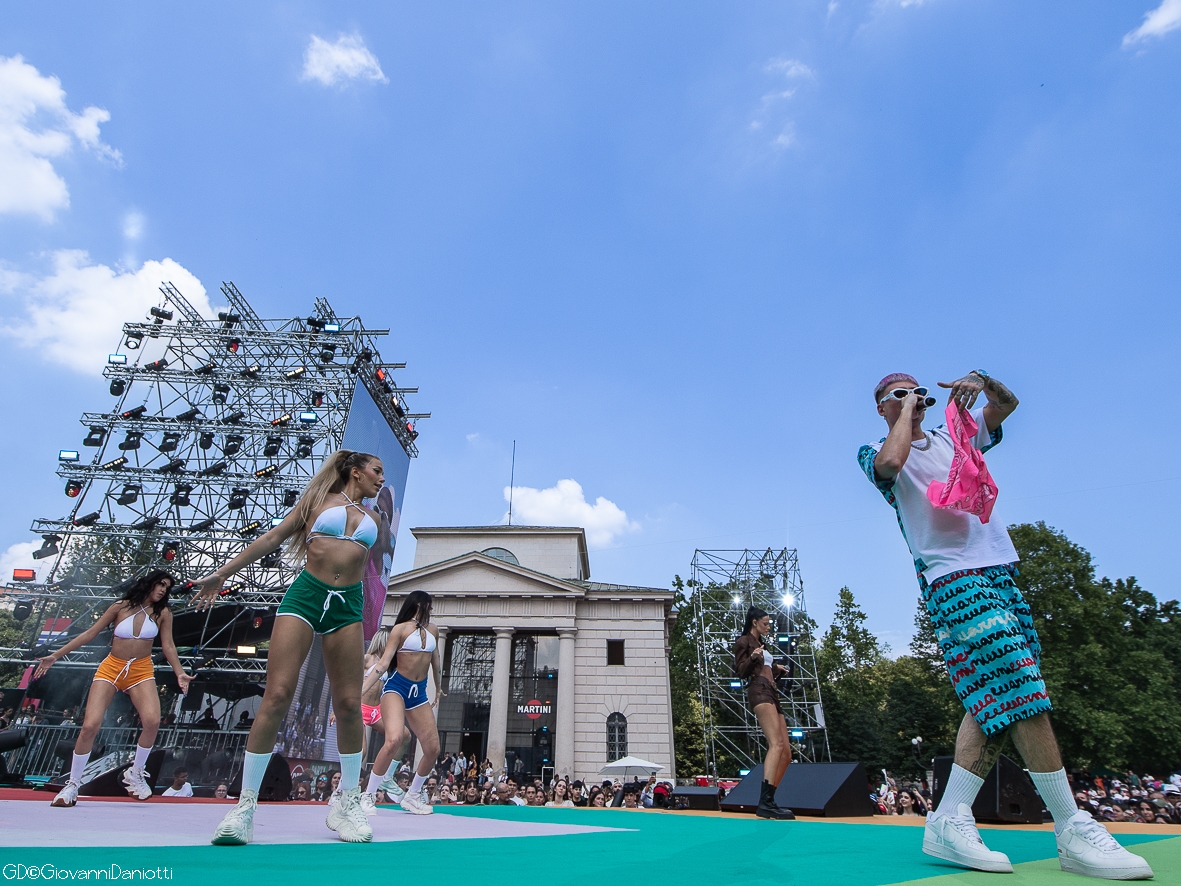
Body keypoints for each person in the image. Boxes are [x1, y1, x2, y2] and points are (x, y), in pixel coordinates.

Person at [859, 371, 1152, 879]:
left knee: (997, 696)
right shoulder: (874, 451)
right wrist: (905, 413)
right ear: (881, 408)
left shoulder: (955, 435)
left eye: (916, 391)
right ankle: (1071, 825)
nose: (912, 398)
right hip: (951, 577)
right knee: (1020, 683)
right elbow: (889, 464)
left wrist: (982, 380)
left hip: (999, 571)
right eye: (897, 395)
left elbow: (1007, 404)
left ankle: (949, 818)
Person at [196, 450, 386, 845]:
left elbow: (366, 568)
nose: (381, 478)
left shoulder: (376, 519)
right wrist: (222, 573)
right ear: (355, 472)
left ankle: (347, 802)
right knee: (278, 694)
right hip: (306, 597)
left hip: (347, 605)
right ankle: (244, 807)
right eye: (377, 471)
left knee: (348, 705)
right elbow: (272, 537)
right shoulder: (317, 501)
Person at [34, 570, 192, 807]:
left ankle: (136, 772)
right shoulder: (120, 606)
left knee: (152, 721)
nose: (162, 590)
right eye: (160, 584)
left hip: (141, 670)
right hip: (112, 668)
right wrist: (56, 655)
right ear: (149, 583)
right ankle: (72, 784)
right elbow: (90, 633)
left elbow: (168, 646)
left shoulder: (163, 613)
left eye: (167, 587)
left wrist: (179, 672)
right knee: (90, 725)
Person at [361, 590, 443, 815]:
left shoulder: (433, 630)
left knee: (432, 748)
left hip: (418, 693)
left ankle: (413, 795)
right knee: (394, 739)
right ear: (418, 605)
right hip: (396, 688)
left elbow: (436, 662)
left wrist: (438, 687)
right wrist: (361, 691)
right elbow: (383, 664)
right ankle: (368, 794)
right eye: (427, 604)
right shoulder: (400, 629)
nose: (430, 608)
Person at [733, 607, 794, 820]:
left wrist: (776, 668)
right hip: (759, 691)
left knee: (786, 752)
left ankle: (770, 799)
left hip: (771, 691)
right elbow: (741, 671)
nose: (768, 627)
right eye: (765, 623)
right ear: (755, 622)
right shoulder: (744, 641)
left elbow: (765, 668)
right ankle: (765, 802)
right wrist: (752, 657)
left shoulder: (762, 645)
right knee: (776, 744)